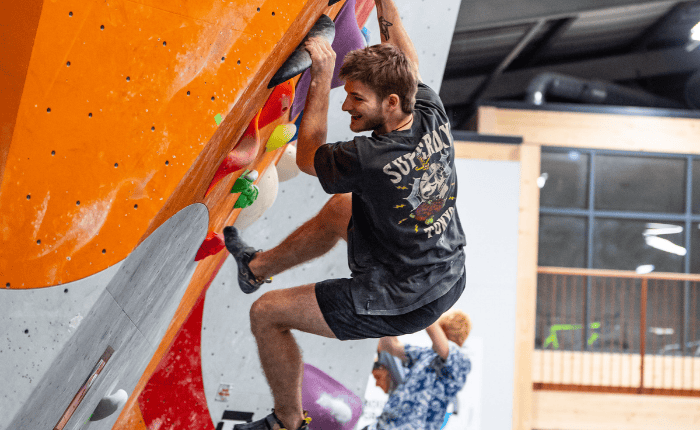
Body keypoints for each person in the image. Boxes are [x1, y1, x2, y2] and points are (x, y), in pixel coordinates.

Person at [225, 0, 466, 428]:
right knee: (342, 208)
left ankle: (286, 422)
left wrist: (322, 73)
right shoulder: (427, 108)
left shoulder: (373, 156)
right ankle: (256, 268)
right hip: (445, 268)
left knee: (267, 314)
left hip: (399, 298)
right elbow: (405, 56)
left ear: (391, 103)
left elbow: (308, 156)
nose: (345, 105)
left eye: (355, 98)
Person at [367, 309, 472, 430]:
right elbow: (392, 346)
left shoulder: (460, 361)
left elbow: (432, 329)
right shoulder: (426, 354)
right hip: (384, 425)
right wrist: (388, 312)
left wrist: (423, 304)